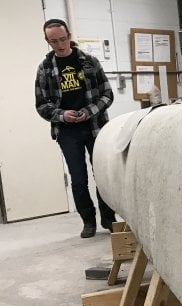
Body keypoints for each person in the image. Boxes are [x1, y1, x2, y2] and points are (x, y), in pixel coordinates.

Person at [35, 19, 116, 238]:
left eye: (63, 39)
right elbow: (41, 105)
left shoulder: (89, 62)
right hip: (67, 132)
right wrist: (63, 115)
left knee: (102, 175)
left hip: (95, 127)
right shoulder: (44, 69)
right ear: (47, 41)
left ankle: (108, 219)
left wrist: (89, 111)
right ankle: (88, 221)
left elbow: (108, 94)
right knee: (79, 179)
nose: (60, 44)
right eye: (54, 41)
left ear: (69, 35)